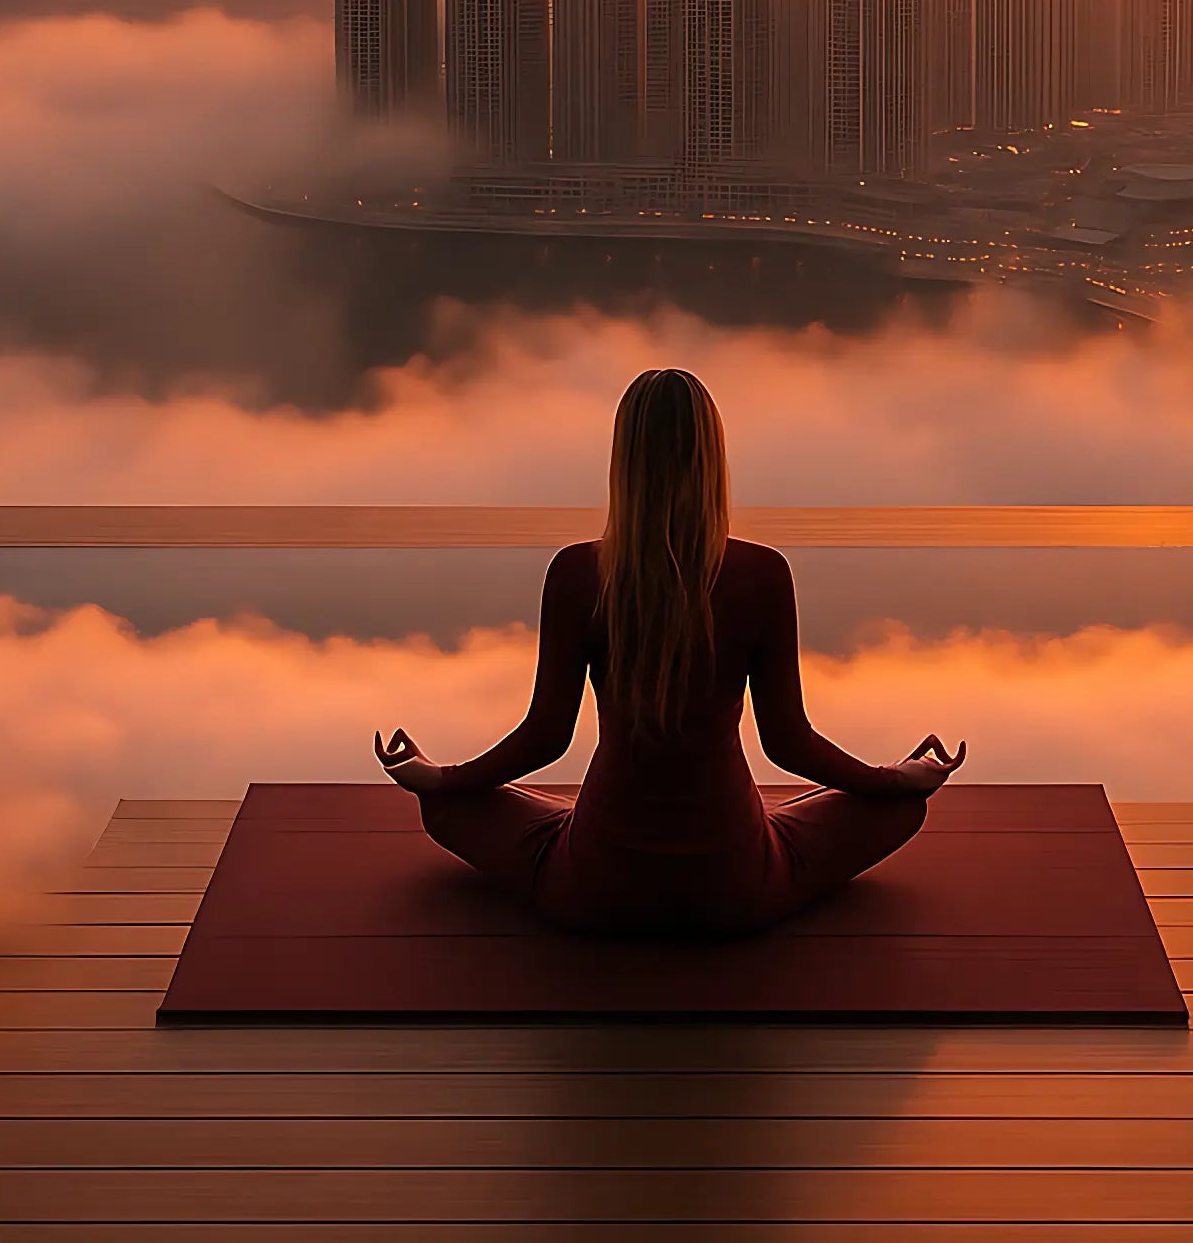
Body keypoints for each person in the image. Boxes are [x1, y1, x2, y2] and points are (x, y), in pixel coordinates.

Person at [373, 367, 966, 937]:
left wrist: (445, 780)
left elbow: (546, 736)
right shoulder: (761, 573)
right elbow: (787, 742)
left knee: (447, 811)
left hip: (597, 885)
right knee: (900, 811)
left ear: (622, 461)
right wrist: (891, 782)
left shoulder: (579, 573)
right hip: (734, 885)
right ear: (713, 460)